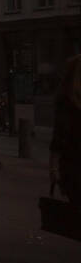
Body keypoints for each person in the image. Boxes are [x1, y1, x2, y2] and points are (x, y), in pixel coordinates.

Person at [50, 54, 81, 205]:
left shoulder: (66, 101)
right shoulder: (68, 102)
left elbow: (60, 137)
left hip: (72, 168)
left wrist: (54, 168)